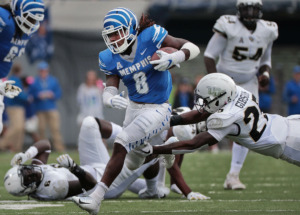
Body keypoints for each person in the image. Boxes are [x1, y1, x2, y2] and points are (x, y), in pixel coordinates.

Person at [72, 7, 200, 214]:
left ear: (131, 29)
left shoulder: (150, 36)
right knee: (134, 161)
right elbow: (110, 87)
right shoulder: (108, 57)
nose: (113, 39)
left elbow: (192, 48)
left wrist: (175, 57)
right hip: (133, 109)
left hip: (158, 108)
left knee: (122, 142)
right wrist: (110, 99)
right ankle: (164, 154)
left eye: (117, 32)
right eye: (109, 35)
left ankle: (95, 199)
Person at [140, 73, 300, 179]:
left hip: (287, 144)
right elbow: (200, 114)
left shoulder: (226, 118)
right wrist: (168, 121)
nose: (203, 102)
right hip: (289, 122)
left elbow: (193, 144)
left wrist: (155, 150)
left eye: (206, 98)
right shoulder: (237, 91)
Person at [203, 0, 278, 190]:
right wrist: (216, 81)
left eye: (254, 9)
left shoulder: (267, 29)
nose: (251, 13)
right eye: (247, 8)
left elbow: (266, 58)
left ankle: (233, 175)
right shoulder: (228, 25)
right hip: (225, 81)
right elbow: (209, 55)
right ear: (239, 10)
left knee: (248, 128)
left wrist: (266, 73)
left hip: (249, 83)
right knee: (209, 123)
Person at [4, 116, 154, 200]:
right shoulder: (53, 188)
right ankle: (154, 189)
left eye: (25, 171)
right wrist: (73, 168)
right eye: (28, 179)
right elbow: (90, 184)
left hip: (93, 166)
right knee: (147, 152)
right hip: (105, 183)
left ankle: (129, 136)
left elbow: (45, 144)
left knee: (89, 123)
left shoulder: (36, 173)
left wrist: (27, 154)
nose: (31, 173)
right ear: (27, 191)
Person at [0, 0, 45, 135]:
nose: (32, 23)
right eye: (30, 18)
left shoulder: (25, 31)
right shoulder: (4, 20)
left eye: (35, 19)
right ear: (18, 10)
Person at [29, 61, 65, 152]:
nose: (43, 72)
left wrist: (52, 95)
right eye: (41, 71)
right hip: (40, 108)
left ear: (47, 71)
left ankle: (59, 148)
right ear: (39, 71)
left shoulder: (53, 80)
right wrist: (38, 95)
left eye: (44, 70)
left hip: (51, 107)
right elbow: (30, 95)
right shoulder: (35, 81)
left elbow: (59, 93)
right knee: (41, 129)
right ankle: (43, 149)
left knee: (55, 129)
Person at [0, 63, 28, 152]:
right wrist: (28, 97)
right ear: (19, 71)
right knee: (17, 127)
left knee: (21, 128)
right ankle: (2, 144)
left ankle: (17, 148)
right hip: (14, 107)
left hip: (18, 107)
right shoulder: (15, 79)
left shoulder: (14, 79)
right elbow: (18, 93)